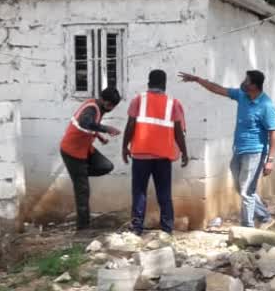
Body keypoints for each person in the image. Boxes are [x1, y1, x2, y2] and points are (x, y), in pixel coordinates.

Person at [179, 70, 275, 229]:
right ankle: (265, 217)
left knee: (246, 190)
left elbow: (273, 134)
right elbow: (217, 89)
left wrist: (270, 160)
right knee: (242, 188)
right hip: (239, 150)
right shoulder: (242, 96)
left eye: (247, 80)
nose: (243, 82)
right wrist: (197, 79)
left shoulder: (266, 106)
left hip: (255, 152)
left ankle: (247, 227)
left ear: (254, 85)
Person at [122, 70, 189, 235]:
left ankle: (137, 228)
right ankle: (167, 229)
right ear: (164, 84)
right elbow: (178, 131)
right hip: (162, 156)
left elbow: (130, 124)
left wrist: (124, 146)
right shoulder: (173, 103)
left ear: (148, 82)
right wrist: (184, 152)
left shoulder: (138, 100)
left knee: (139, 192)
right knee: (164, 194)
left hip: (140, 155)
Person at [59, 87, 122, 230]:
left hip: (85, 149)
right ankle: (83, 229)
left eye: (113, 106)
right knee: (83, 192)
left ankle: (78, 175)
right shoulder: (92, 108)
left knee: (106, 166)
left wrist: (100, 137)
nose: (111, 109)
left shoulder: (98, 107)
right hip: (72, 152)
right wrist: (107, 129)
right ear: (103, 100)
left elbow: (89, 126)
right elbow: (84, 123)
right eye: (110, 105)